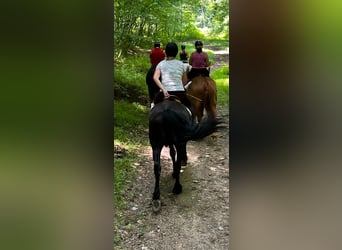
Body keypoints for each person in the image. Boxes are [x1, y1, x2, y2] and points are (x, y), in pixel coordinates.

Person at [153, 42, 192, 111]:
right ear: (176, 52)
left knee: (153, 106)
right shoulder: (181, 64)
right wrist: (179, 86)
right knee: (189, 107)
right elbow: (185, 80)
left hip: (164, 93)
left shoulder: (160, 64)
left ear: (166, 52)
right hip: (179, 92)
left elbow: (155, 78)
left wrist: (163, 90)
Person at [146, 41, 165, 108]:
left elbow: (151, 59)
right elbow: (163, 59)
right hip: (160, 68)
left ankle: (151, 102)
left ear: (154, 46)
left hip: (153, 67)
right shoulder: (162, 52)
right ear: (159, 46)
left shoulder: (152, 51)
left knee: (149, 80)